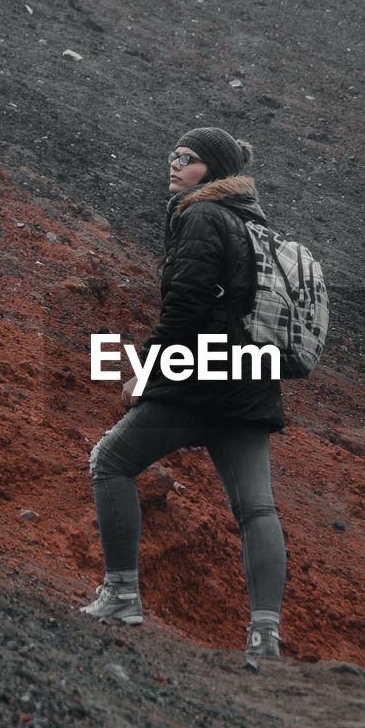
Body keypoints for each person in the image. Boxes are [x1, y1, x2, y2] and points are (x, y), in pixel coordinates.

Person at [82, 126, 287, 666]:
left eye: (188, 159)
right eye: (172, 155)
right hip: (252, 380)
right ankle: (265, 638)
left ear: (213, 172)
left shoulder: (200, 216)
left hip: (201, 381)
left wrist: (147, 372)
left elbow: (185, 308)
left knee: (110, 462)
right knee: (256, 509)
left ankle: (122, 595)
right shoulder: (254, 223)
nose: (174, 165)